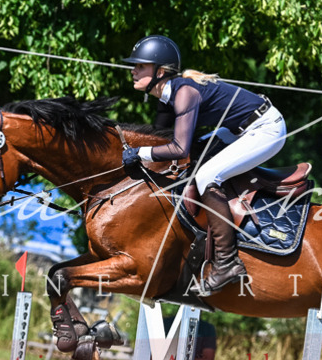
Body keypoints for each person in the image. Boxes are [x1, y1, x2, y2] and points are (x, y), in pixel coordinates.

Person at [121, 35, 309, 296]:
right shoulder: (167, 95)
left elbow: (178, 148)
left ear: (160, 72)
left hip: (266, 129)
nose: (133, 70)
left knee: (207, 177)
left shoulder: (184, 93)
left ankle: (227, 262)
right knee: (198, 156)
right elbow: (165, 140)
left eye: (140, 66)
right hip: (236, 130)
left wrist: (140, 152)